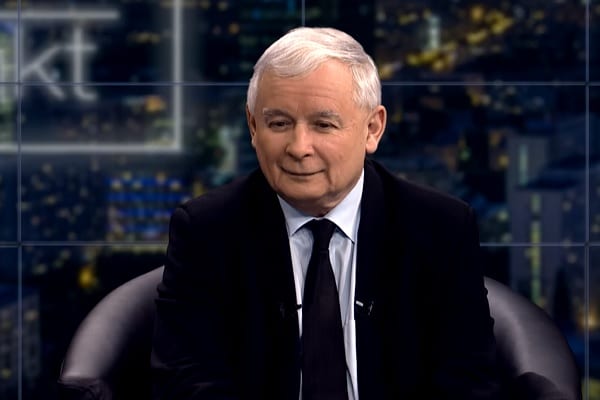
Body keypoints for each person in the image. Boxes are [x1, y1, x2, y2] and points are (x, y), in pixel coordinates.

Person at [151, 27, 499, 399]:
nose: (299, 147)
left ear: (372, 129)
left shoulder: (440, 228)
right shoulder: (206, 230)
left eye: (323, 125)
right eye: (279, 124)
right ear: (253, 127)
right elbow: (186, 382)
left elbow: (468, 383)